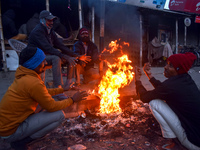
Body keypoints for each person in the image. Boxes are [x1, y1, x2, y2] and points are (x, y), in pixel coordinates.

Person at [0, 46, 88, 150]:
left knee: (42, 105)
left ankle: (21, 137)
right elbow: (52, 106)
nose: (45, 63)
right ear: (34, 64)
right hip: (10, 132)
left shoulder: (25, 76)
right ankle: (20, 142)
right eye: (42, 61)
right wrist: (72, 100)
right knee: (59, 115)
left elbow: (42, 92)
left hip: (7, 127)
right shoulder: (33, 82)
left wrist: (62, 89)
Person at [135, 52, 200, 150]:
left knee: (155, 103)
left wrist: (137, 80)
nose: (165, 67)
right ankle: (175, 141)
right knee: (161, 100)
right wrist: (149, 75)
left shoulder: (171, 85)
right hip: (197, 138)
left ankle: (176, 143)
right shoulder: (185, 79)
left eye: (171, 66)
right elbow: (163, 89)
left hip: (193, 143)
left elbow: (145, 97)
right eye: (167, 63)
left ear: (178, 70)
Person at [28, 10, 90, 88]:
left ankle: (68, 84)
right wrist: (64, 56)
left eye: (52, 20)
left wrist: (76, 55)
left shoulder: (50, 31)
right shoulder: (38, 31)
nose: (51, 22)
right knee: (56, 58)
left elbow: (60, 46)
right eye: (49, 20)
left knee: (72, 59)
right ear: (42, 20)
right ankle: (58, 87)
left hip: (45, 55)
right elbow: (48, 48)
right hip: (36, 56)